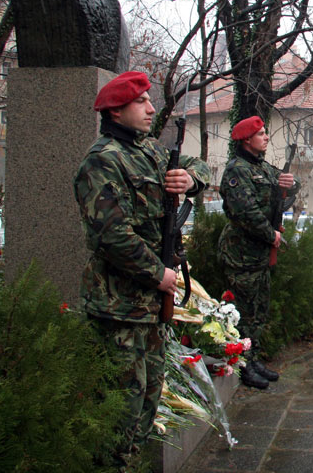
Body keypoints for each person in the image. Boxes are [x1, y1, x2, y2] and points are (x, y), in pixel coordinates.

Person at [74, 70, 211, 467]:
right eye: (141, 102)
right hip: (120, 309)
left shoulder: (149, 150)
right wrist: (159, 274)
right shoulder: (102, 161)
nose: (151, 108)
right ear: (116, 111)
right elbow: (112, 236)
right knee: (120, 412)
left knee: (148, 404)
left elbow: (199, 165)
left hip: (149, 309)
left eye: (150, 100)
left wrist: (189, 179)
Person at [218, 116, 298, 389]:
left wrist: (290, 183)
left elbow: (286, 189)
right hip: (241, 254)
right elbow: (247, 213)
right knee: (242, 313)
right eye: (261, 134)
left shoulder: (262, 167)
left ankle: (252, 358)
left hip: (260, 255)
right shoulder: (237, 170)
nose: (266, 137)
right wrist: (271, 235)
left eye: (265, 133)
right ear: (246, 140)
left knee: (258, 312)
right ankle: (241, 365)